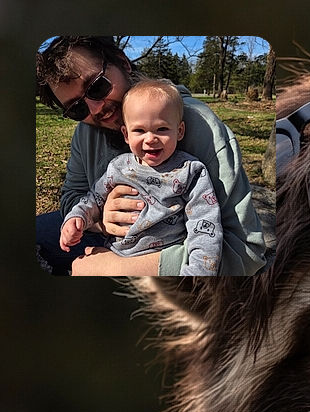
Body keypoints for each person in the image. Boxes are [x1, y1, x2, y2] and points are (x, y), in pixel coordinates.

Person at [36, 36, 266, 276]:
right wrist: (100, 220)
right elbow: (72, 196)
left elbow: (245, 251)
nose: (95, 109)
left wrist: (117, 267)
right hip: (104, 238)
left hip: (169, 254)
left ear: (123, 63)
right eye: (77, 108)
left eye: (96, 86)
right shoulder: (85, 132)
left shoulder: (200, 127)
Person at [61, 79, 222, 276]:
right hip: (116, 251)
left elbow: (205, 225)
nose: (150, 138)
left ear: (179, 131)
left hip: (164, 258)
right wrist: (77, 218)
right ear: (126, 135)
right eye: (139, 130)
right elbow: (93, 199)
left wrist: (198, 273)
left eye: (162, 129)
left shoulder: (191, 171)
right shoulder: (119, 167)